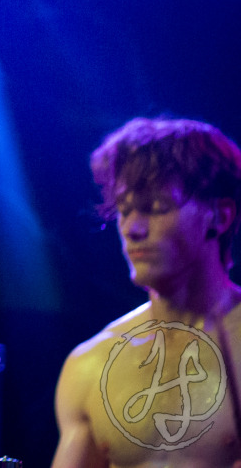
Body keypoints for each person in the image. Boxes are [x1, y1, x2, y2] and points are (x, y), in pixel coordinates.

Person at [51, 117, 241, 468]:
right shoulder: (90, 365)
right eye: (124, 211)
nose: (132, 229)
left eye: (155, 207)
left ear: (220, 215)